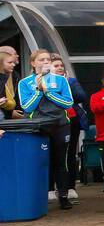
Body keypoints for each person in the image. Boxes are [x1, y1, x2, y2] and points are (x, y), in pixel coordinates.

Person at [17, 50, 75, 210]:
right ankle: (37, 196)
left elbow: (68, 103)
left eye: (48, 59)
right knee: (38, 161)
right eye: (41, 60)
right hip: (37, 126)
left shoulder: (60, 80)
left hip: (60, 125)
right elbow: (27, 107)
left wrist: (47, 92)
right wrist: (37, 90)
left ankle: (63, 196)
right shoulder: (24, 82)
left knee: (60, 161)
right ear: (33, 63)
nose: (45, 62)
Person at [49, 55, 89, 202]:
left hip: (71, 122)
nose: (60, 68)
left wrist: (65, 84)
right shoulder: (42, 82)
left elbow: (81, 96)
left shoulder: (71, 81)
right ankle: (50, 189)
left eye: (61, 65)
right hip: (51, 122)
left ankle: (70, 187)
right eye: (56, 65)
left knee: (70, 155)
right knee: (52, 156)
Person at [0, 45, 19, 118]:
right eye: (10, 62)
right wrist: (11, 112)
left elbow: (17, 98)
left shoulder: (15, 75)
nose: (13, 65)